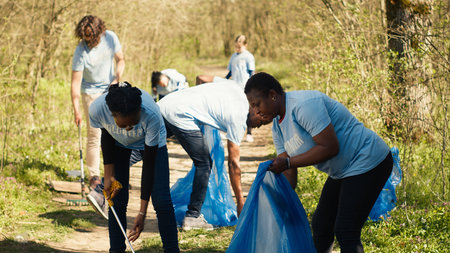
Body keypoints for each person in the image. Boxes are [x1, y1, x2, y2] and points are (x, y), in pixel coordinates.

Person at [245, 72, 393, 253]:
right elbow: (288, 170)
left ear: (273, 95)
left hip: (368, 160)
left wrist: (288, 163)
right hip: (342, 171)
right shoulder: (278, 127)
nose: (255, 111)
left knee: (346, 229)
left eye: (256, 104)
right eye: (252, 107)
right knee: (321, 225)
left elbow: (330, 147)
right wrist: (282, 203)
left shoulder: (303, 106)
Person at [88, 82, 179, 253]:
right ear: (113, 114)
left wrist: (142, 213)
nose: (129, 129)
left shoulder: (151, 114)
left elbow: (149, 165)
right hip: (117, 144)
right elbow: (106, 135)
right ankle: (116, 249)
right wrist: (109, 176)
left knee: (162, 200)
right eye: (125, 125)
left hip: (152, 146)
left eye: (133, 123)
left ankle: (172, 250)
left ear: (139, 111)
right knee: (117, 197)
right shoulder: (97, 109)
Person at [157, 80, 250, 230]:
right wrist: (240, 200)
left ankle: (107, 179)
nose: (262, 120)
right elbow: (233, 163)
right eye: (263, 117)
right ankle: (192, 216)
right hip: (181, 114)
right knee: (204, 164)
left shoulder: (233, 86)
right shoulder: (239, 115)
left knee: (145, 149)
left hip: (165, 104)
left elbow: (203, 77)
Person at [70, 15, 125, 193]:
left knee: (115, 133)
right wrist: (76, 109)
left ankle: (114, 176)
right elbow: (75, 82)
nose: (87, 40)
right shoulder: (81, 51)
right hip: (90, 94)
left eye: (90, 36)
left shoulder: (110, 38)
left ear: (99, 32)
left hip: (110, 91)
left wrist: (117, 79)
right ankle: (94, 177)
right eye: (84, 36)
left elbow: (120, 60)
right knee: (95, 136)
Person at [226, 35, 255, 142]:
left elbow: (251, 72)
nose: (237, 49)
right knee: (234, 110)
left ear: (245, 45)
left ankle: (249, 133)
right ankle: (235, 131)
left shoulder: (249, 57)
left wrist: (252, 85)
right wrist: (224, 80)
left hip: (245, 86)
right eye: (236, 47)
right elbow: (230, 71)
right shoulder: (233, 56)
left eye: (240, 47)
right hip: (235, 86)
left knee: (247, 110)